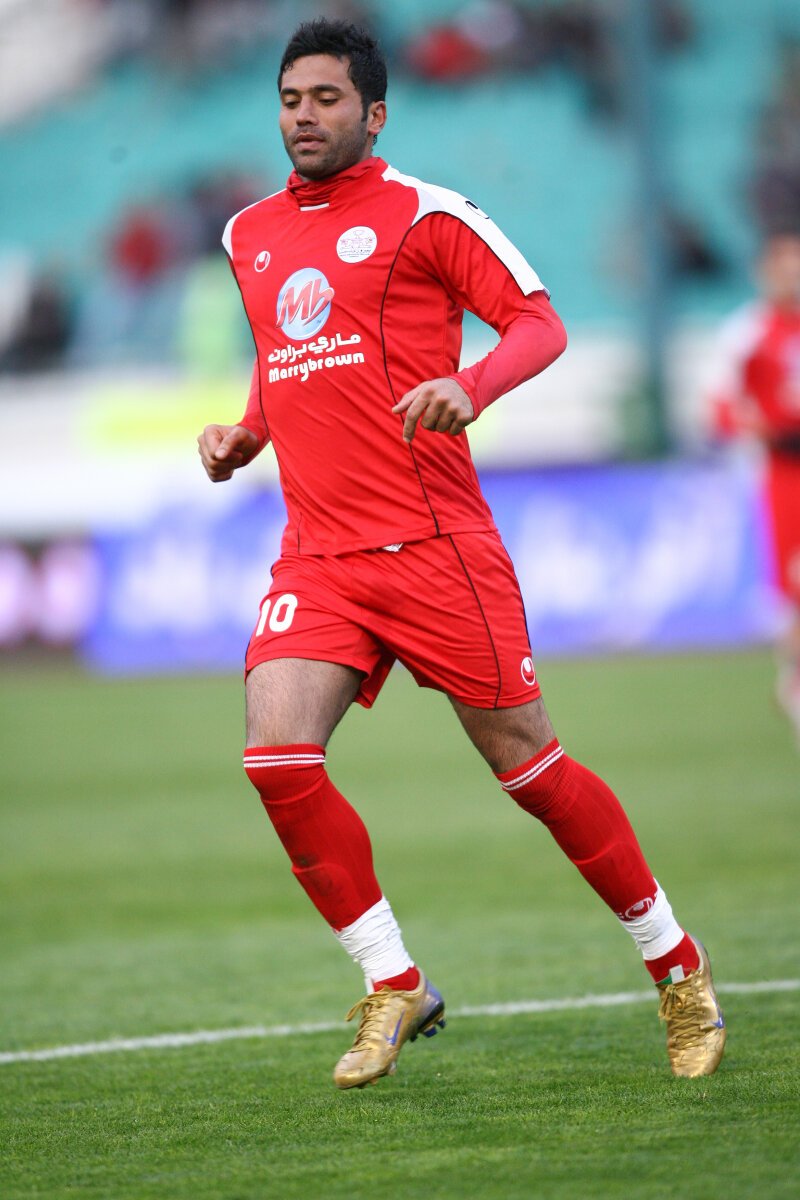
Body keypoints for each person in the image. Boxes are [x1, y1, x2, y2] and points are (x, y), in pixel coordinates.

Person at [197, 17, 725, 1089]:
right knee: (276, 757)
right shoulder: (249, 233)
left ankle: (677, 968)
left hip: (434, 546)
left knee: (530, 769)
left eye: (327, 99)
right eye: (291, 100)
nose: (304, 117)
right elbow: (283, 350)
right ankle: (392, 980)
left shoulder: (426, 215)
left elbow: (537, 322)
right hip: (319, 556)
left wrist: (469, 386)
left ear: (375, 113)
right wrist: (248, 430)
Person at [710, 232, 800, 737]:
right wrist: (754, 427)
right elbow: (720, 404)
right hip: (782, 471)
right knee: (793, 583)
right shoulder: (748, 331)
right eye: (783, 265)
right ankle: (794, 679)